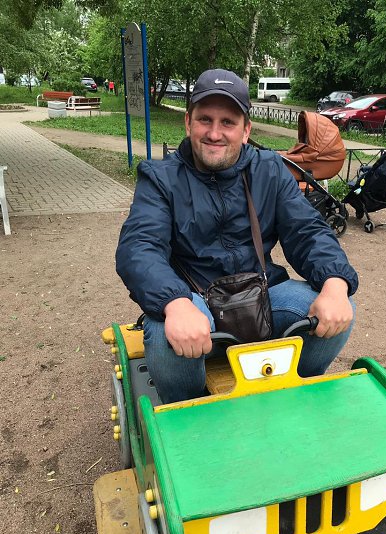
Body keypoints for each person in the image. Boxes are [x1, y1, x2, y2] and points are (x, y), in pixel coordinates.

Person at [116, 68, 358, 404]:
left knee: (339, 307)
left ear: (246, 131)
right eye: (205, 120)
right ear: (188, 123)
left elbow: (308, 231)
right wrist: (175, 304)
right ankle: (187, 412)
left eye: (227, 122)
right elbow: (139, 247)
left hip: (262, 294)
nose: (214, 133)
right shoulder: (160, 178)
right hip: (194, 299)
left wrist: (335, 283)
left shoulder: (270, 169)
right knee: (163, 333)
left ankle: (294, 392)